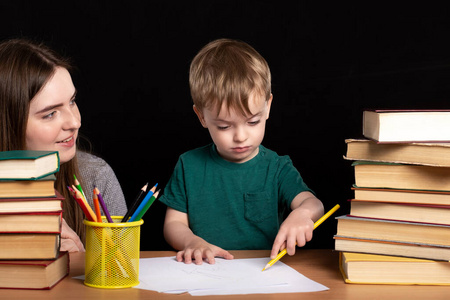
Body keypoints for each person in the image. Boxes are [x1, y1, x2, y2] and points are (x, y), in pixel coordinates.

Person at [159, 38, 324, 264]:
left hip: (263, 276)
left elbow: (313, 203)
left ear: (268, 107)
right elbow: (173, 224)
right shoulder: (189, 165)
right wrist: (192, 243)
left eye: (253, 122)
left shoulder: (277, 167)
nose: (240, 136)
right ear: (201, 116)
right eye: (224, 126)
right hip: (205, 272)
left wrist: (303, 214)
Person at [0, 38, 127, 252]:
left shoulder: (95, 176)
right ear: (9, 123)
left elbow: (122, 268)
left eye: (72, 101)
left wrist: (82, 262)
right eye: (50, 114)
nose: (75, 122)